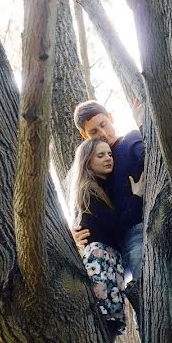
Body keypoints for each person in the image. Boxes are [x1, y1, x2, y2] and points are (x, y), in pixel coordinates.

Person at [66, 138, 144, 336]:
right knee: (103, 325)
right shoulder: (89, 191)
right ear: (87, 161)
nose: (108, 158)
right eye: (100, 155)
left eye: (109, 154)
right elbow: (116, 227)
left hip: (110, 263)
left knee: (109, 325)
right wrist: (137, 196)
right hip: (101, 263)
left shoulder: (101, 188)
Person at [71, 100, 144, 284]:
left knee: (145, 286)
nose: (103, 134)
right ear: (84, 135)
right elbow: (92, 210)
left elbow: (151, 156)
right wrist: (77, 233)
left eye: (103, 124)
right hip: (113, 251)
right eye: (94, 132)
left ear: (110, 118)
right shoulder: (96, 171)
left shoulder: (130, 141)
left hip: (138, 234)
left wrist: (144, 124)